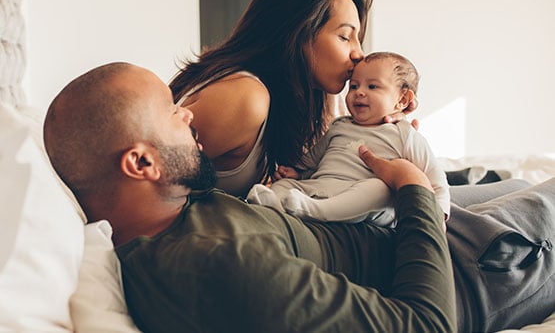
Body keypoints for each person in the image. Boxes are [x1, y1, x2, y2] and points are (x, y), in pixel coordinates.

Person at [44, 62, 555, 333]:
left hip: (410, 233)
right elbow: (427, 325)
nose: (190, 115)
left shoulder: (177, 213)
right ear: (141, 163)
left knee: (510, 182)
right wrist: (414, 190)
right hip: (472, 271)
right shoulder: (217, 266)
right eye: (172, 112)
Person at [168, 0, 417, 198]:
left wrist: (385, 134)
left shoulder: (307, 99)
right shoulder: (244, 97)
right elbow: (146, 182)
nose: (359, 54)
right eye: (345, 37)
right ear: (297, 34)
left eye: (358, 40)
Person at [247, 51, 450, 226]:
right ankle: (274, 204)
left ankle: (314, 211)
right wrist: (296, 173)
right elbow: (313, 160)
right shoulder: (339, 125)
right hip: (321, 188)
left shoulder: (404, 134)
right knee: (285, 187)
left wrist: (438, 215)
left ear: (402, 100)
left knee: (380, 189)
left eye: (372, 87)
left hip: (362, 201)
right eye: (353, 86)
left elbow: (434, 177)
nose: (359, 92)